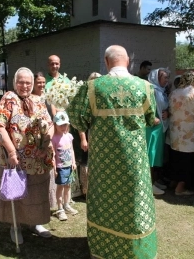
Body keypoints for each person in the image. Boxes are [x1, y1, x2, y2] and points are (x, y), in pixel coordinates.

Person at [67, 45, 158, 259]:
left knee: (105, 203)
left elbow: (78, 119)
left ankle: (105, 248)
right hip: (134, 161)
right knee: (134, 203)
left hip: (104, 161)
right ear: (127, 61)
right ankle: (136, 250)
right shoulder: (144, 87)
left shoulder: (93, 88)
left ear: (107, 62)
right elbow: (150, 118)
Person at [0, 67, 55, 244]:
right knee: (17, 193)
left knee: (36, 192)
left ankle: (35, 223)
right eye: (21, 82)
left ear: (32, 83)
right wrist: (11, 151)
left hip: (37, 158)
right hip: (16, 159)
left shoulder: (38, 100)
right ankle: (16, 226)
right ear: (15, 82)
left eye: (28, 82)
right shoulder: (9, 98)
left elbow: (50, 124)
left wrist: (45, 144)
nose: (24, 86)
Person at [32, 72, 57, 210]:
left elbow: (52, 117)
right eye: (38, 82)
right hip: (35, 142)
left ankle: (44, 207)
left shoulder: (46, 97)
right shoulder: (30, 99)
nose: (41, 85)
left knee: (47, 174)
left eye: (43, 82)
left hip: (47, 139)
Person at [147, 68, 170, 195]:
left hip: (160, 126)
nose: (167, 80)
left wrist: (168, 113)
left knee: (156, 156)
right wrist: (152, 117)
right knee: (151, 154)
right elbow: (146, 106)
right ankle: (149, 184)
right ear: (157, 77)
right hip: (152, 127)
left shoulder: (161, 91)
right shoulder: (151, 90)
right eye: (164, 77)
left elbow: (166, 106)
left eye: (167, 77)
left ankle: (154, 181)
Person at [52, 111, 78, 221]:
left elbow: (71, 150)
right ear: (55, 125)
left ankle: (67, 204)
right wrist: (54, 168)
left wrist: (73, 162)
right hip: (60, 167)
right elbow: (53, 154)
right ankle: (60, 208)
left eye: (65, 124)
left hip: (69, 166)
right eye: (60, 125)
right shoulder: (54, 138)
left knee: (68, 186)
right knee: (60, 187)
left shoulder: (69, 136)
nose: (63, 127)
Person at [78, 72, 102, 195]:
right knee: (86, 162)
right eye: (93, 80)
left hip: (101, 137)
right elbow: (80, 121)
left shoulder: (102, 97)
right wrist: (83, 139)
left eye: (98, 80)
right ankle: (86, 191)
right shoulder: (85, 98)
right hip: (88, 135)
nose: (95, 83)